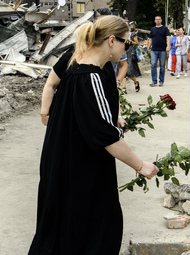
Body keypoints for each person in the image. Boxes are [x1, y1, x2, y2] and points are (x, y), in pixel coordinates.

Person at [29, 15, 159, 254]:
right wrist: (141, 165)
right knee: (94, 227)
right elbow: (106, 136)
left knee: (60, 224)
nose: (126, 48)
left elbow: (97, 118)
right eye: (126, 43)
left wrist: (114, 116)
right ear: (111, 40)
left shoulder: (85, 68)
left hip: (61, 157)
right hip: (81, 165)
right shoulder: (90, 76)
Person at [147, 16, 170, 87]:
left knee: (162, 66)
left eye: (159, 19)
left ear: (161, 20)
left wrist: (168, 46)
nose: (158, 21)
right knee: (153, 65)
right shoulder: (153, 29)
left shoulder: (164, 28)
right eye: (156, 19)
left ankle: (161, 81)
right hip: (154, 50)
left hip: (162, 50)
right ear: (154, 21)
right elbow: (150, 38)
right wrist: (148, 46)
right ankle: (154, 81)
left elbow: (168, 37)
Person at [126, 26, 141, 92]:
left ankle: (135, 82)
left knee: (129, 71)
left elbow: (137, 43)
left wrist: (130, 41)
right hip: (121, 53)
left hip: (130, 53)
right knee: (121, 71)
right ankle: (123, 88)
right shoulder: (120, 34)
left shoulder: (132, 34)